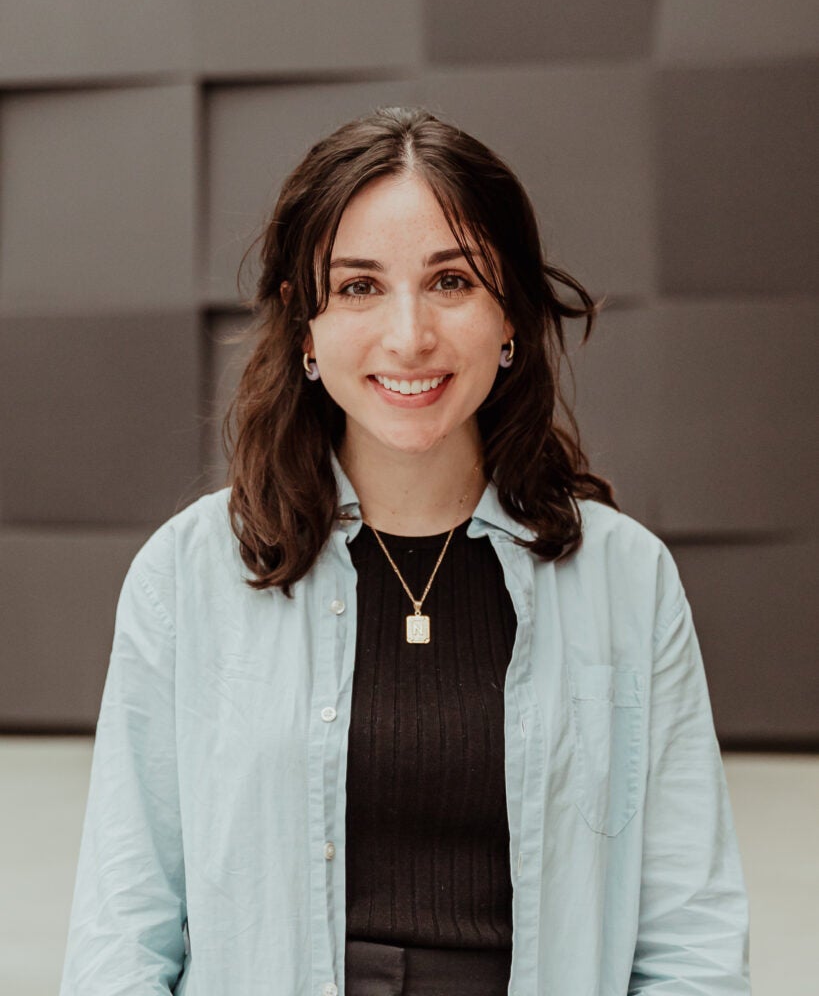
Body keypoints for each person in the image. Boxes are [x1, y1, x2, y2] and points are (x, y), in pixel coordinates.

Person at [60, 106, 750, 995]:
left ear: (510, 318)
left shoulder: (626, 578)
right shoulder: (188, 573)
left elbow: (688, 935)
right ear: (301, 325)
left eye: (451, 281)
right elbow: (123, 930)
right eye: (357, 287)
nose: (408, 336)